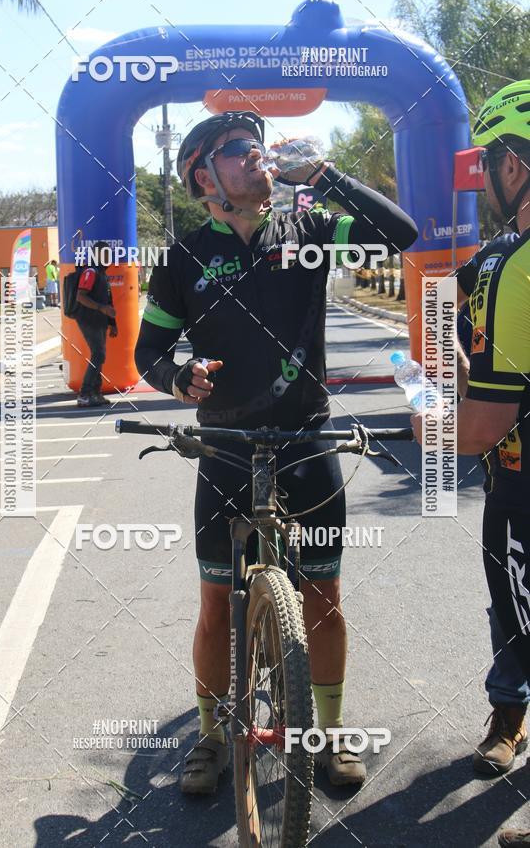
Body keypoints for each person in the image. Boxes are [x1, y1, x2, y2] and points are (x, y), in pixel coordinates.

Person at [135, 111, 418, 794]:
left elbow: (399, 236)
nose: (257, 156)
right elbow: (149, 352)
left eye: (258, 147)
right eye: (239, 150)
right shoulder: (182, 259)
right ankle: (210, 736)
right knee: (214, 601)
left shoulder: (308, 232)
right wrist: (178, 377)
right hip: (227, 448)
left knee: (323, 595)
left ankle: (328, 731)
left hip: (305, 442)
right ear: (204, 177)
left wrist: (323, 174)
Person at [412, 80, 530, 848]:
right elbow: (445, 308)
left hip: (520, 484)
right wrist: (458, 355)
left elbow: (482, 428)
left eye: (487, 163)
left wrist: (429, 417)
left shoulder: (508, 265)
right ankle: (508, 716)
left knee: (517, 611)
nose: (483, 180)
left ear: (512, 164)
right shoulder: (492, 262)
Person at [75, 241, 117, 408]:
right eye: (105, 254)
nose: (109, 257)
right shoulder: (90, 272)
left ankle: (95, 393)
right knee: (98, 354)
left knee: (99, 355)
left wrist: (113, 323)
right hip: (88, 319)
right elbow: (80, 296)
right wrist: (101, 308)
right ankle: (85, 394)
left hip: (99, 320)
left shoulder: (102, 273)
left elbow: (108, 301)